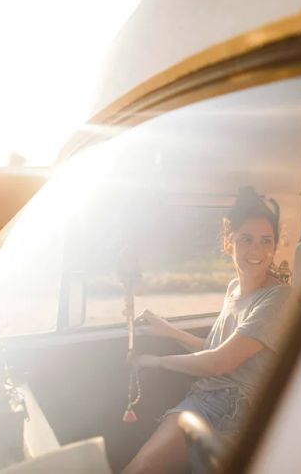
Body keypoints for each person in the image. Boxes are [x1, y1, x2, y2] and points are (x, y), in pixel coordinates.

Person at [123, 187, 292, 474]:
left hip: (233, 406)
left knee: (141, 468)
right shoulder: (233, 288)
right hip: (206, 396)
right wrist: (170, 332)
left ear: (275, 247)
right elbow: (215, 350)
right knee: (139, 467)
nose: (257, 250)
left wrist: (153, 362)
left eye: (267, 241)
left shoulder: (278, 298)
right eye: (245, 239)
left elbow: (218, 363)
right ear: (229, 243)